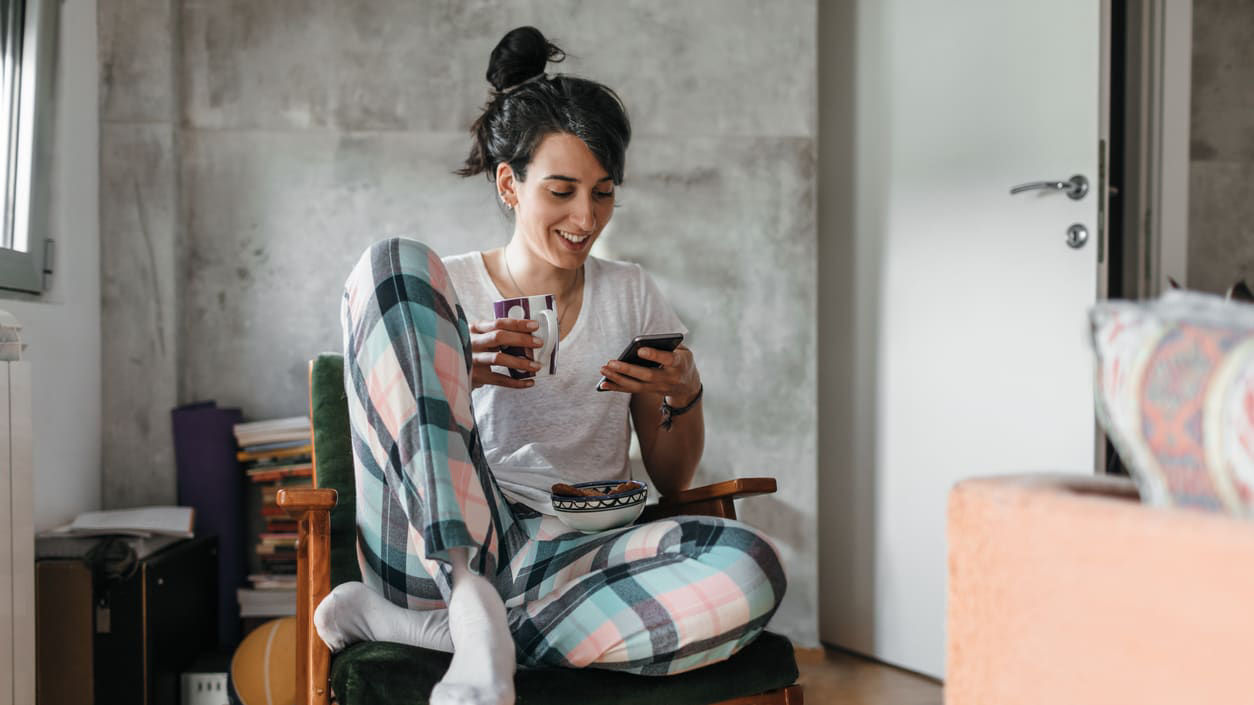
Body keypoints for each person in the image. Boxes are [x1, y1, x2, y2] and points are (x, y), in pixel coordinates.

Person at [313, 26, 787, 705]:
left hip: (580, 557)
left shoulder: (632, 292)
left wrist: (685, 391)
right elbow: (380, 411)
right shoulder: (443, 288)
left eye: (603, 193)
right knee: (392, 262)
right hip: (452, 545)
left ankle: (449, 633)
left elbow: (673, 476)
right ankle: (468, 606)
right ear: (510, 184)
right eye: (561, 191)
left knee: (753, 567)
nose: (585, 217)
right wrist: (448, 367)